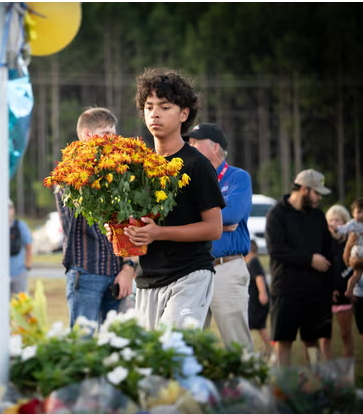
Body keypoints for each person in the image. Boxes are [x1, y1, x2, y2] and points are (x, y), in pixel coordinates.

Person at [107, 67, 225, 330]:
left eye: (165, 106)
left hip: (190, 274)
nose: (154, 113)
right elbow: (140, 224)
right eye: (148, 107)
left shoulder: (197, 165)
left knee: (174, 350)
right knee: (153, 361)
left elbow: (214, 228)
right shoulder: (138, 165)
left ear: (184, 114)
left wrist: (157, 233)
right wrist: (120, 229)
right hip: (148, 278)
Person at [56, 107, 138, 328]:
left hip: (117, 272)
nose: (113, 139)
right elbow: (90, 214)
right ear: (87, 136)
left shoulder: (120, 173)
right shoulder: (69, 172)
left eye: (114, 133)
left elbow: (129, 222)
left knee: (115, 344)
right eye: (106, 134)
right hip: (86, 271)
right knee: (84, 343)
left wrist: (128, 268)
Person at [188, 123, 253, 350]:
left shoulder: (238, 177)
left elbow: (233, 214)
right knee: (190, 343)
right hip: (194, 269)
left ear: (216, 147)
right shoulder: (190, 179)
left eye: (196, 141)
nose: (190, 145)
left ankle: (247, 386)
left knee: (237, 345)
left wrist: (196, 222)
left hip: (226, 268)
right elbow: (178, 218)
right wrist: (214, 223)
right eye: (189, 141)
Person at [265, 169, 335, 367]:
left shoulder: (318, 216)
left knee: (312, 342)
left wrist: (331, 287)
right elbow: (275, 250)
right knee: (284, 341)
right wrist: (309, 259)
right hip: (286, 290)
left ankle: (316, 385)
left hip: (315, 292)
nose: (319, 198)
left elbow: (328, 253)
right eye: (317, 193)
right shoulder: (277, 214)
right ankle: (283, 387)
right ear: (304, 189)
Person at [321, 204, 354, 359]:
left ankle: (347, 372)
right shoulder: (323, 242)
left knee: (346, 335)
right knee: (325, 337)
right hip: (326, 295)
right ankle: (329, 374)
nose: (334, 223)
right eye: (331, 220)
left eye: (338, 220)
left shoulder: (351, 242)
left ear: (345, 221)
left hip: (345, 294)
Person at [245, 239, 272, 355]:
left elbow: (259, 278)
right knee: (260, 328)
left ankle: (248, 351)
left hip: (257, 301)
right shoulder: (251, 262)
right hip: (254, 302)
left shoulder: (253, 262)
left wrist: (263, 293)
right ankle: (270, 350)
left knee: (248, 327)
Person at [339, 198, 363, 300]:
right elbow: (348, 262)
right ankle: (349, 290)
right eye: (359, 212)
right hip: (359, 293)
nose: (361, 215)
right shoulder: (352, 226)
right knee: (356, 274)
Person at [9, 199, 33, 297]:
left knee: (21, 303)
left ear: (13, 210)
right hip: (0, 275)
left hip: (18, 273)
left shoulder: (20, 226)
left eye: (9, 208)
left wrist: (27, 266)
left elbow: (29, 246)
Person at [343, 232, 363, 346]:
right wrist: (350, 244)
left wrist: (356, 262)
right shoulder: (355, 235)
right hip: (359, 295)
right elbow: (349, 262)